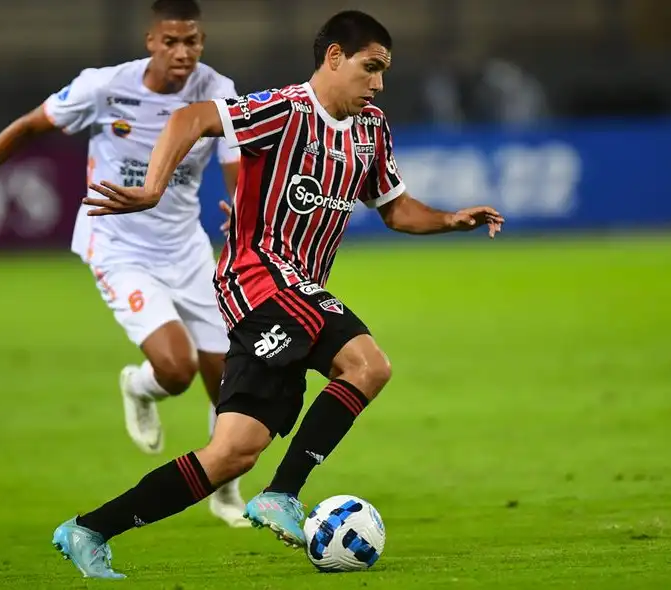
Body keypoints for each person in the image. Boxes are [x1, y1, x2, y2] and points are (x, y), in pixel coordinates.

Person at [51, 9, 505, 579]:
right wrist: (151, 188)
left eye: (384, 71)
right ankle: (282, 494)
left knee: (231, 453)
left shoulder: (370, 129)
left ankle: (90, 529)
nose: (379, 83)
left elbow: (395, 209)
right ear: (334, 58)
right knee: (368, 365)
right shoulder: (285, 109)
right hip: (259, 277)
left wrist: (450, 219)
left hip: (296, 292)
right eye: (371, 68)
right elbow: (191, 118)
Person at [0, 0, 250, 527]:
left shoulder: (216, 90)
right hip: (118, 247)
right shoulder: (104, 87)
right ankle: (139, 386)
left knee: (226, 376)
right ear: (150, 41)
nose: (183, 53)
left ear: (202, 42)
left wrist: (241, 219)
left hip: (186, 247)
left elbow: (238, 167)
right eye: (171, 41)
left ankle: (225, 489)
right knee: (177, 369)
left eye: (193, 41)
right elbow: (27, 127)